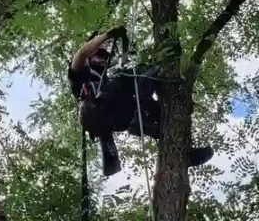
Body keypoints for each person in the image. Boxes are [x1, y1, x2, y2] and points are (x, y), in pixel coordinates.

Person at [68, 26, 214, 176]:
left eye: (105, 57)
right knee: (128, 78)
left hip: (122, 118)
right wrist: (108, 35)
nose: (103, 59)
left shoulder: (107, 78)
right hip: (98, 114)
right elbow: (83, 53)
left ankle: (184, 152)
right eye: (99, 55)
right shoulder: (81, 75)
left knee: (153, 113)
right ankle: (157, 67)